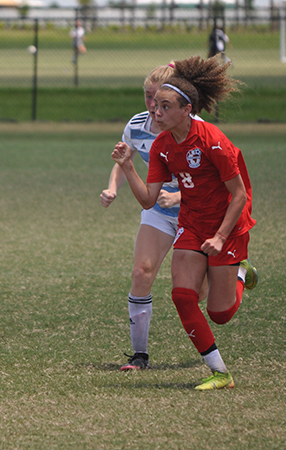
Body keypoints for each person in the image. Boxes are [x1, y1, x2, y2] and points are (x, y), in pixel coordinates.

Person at [111, 55, 258, 390]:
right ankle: (220, 372)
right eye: (154, 105)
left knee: (220, 313)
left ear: (186, 109)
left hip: (227, 227)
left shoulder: (214, 141)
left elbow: (239, 196)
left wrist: (221, 237)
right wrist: (128, 167)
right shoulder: (162, 145)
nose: (156, 112)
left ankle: (238, 270)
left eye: (164, 106)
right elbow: (148, 199)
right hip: (191, 224)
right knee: (182, 295)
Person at [102, 63, 208, 371]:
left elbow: (212, 180)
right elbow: (124, 158)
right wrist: (112, 189)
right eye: (148, 97)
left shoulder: (196, 127)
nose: (151, 106)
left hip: (196, 212)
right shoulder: (137, 125)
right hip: (159, 212)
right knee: (141, 272)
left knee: (198, 294)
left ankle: (236, 268)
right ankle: (140, 356)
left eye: (159, 99)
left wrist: (179, 196)